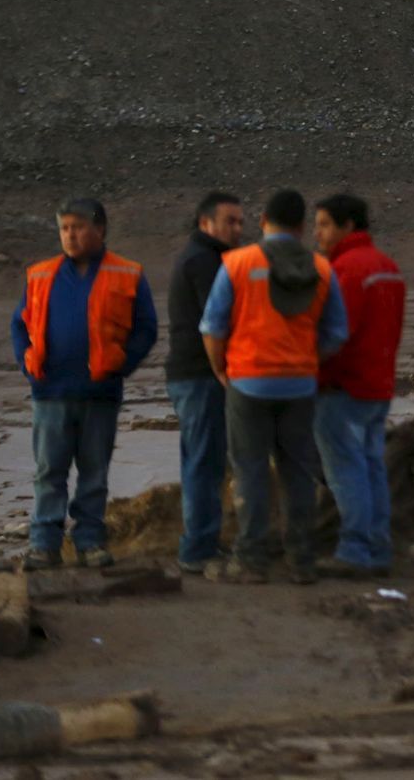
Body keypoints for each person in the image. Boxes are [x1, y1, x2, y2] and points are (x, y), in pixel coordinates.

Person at [200, 189, 348, 584]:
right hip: (299, 386)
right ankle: (301, 561)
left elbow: (213, 327)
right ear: (302, 226)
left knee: (249, 472)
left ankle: (251, 561)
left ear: (263, 219)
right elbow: (337, 333)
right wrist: (307, 360)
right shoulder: (321, 268)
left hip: (247, 383)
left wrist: (221, 369)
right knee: (298, 474)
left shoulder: (237, 263)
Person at [10, 197, 157, 569]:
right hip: (51, 392)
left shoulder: (128, 273)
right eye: (64, 228)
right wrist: (28, 364)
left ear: (100, 229)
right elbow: (19, 325)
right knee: (49, 473)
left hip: (100, 393)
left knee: (94, 474)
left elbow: (146, 329)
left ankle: (90, 541)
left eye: (77, 227)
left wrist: (122, 364)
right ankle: (44, 545)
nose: (70, 235)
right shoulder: (41, 275)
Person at [311, 193, 408, 579]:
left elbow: (335, 335)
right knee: (371, 467)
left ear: (347, 226)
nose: (317, 233)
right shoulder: (388, 268)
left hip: (343, 388)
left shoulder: (344, 271)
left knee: (346, 471)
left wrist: (310, 372)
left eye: (323, 225)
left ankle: (354, 551)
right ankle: (378, 548)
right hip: (378, 386)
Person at [165, 191, 243, 574]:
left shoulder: (208, 258)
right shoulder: (204, 262)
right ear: (205, 223)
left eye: (240, 222)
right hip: (200, 375)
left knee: (206, 461)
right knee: (203, 462)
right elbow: (219, 322)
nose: (237, 229)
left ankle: (204, 542)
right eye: (229, 221)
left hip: (196, 375)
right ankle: (197, 549)